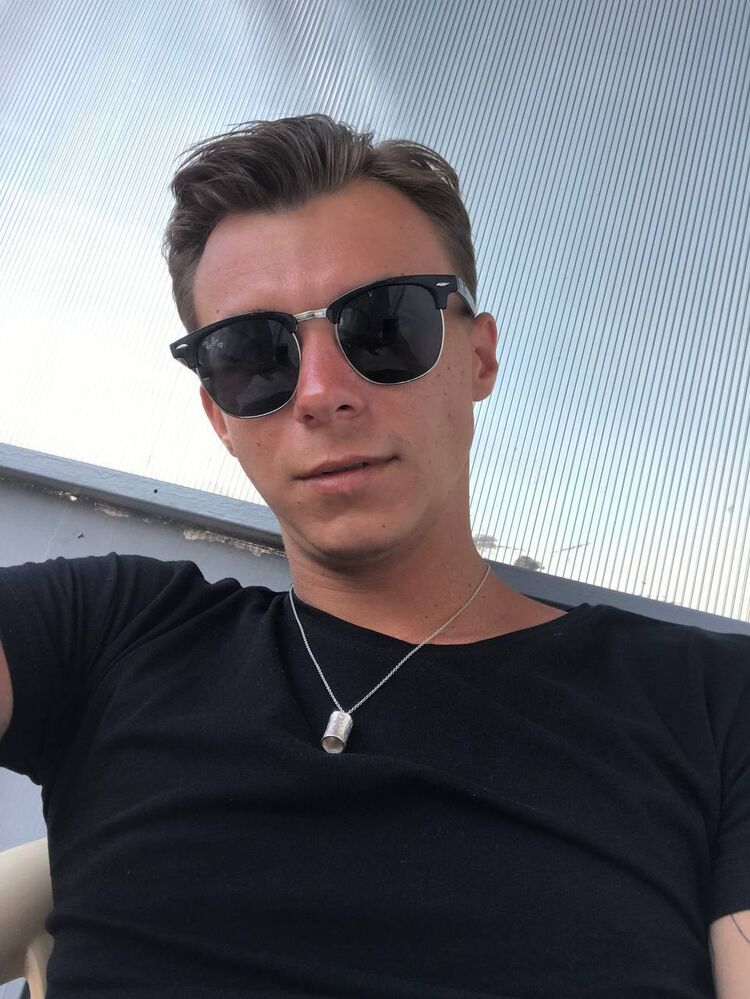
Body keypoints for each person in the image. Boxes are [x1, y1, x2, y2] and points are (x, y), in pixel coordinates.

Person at [0, 113, 748, 998]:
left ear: (479, 356)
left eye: (384, 325)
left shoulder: (712, 700)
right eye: (251, 355)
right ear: (219, 418)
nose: (321, 393)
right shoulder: (111, 632)